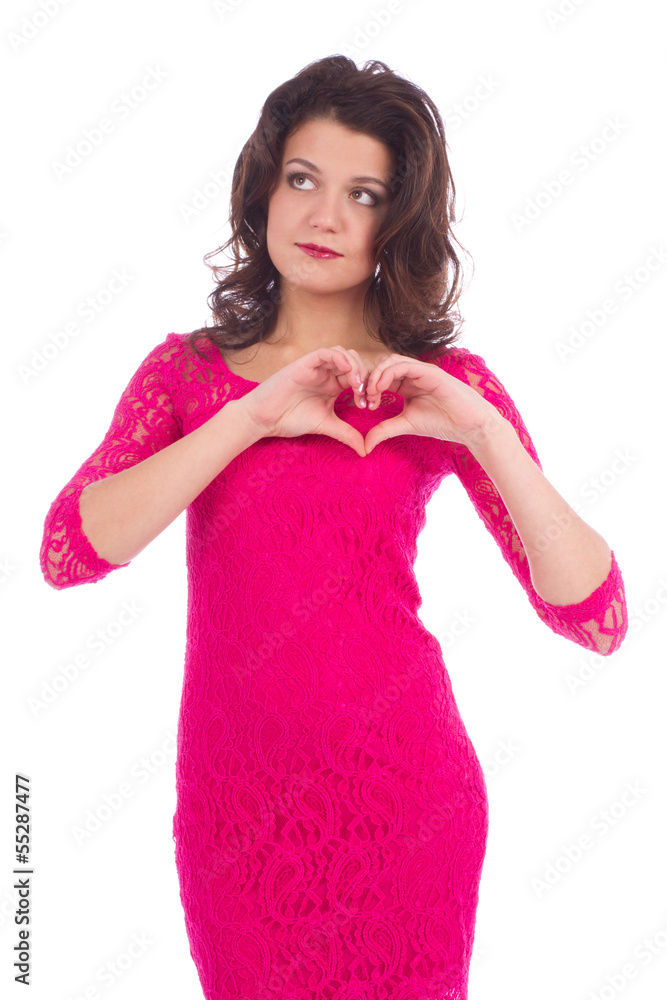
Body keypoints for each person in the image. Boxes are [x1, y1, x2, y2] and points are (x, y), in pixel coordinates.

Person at [40, 55, 628, 1000]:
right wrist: (250, 418)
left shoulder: (438, 387)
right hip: (238, 815)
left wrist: (483, 433)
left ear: (396, 223)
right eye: (303, 179)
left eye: (363, 195)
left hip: (406, 801)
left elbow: (594, 616)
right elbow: (69, 553)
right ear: (263, 189)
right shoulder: (188, 375)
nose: (323, 216)